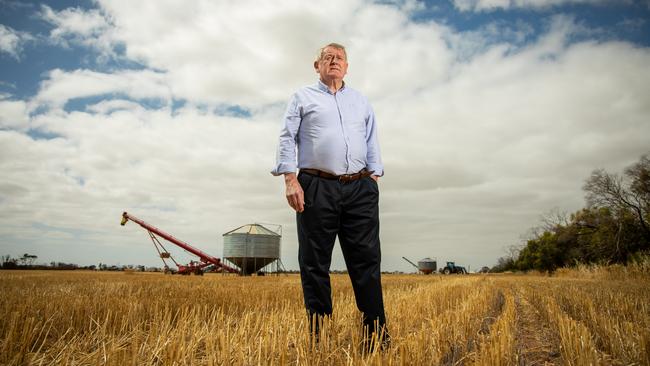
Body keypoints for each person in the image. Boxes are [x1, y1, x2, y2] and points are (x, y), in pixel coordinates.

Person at [271, 42, 388, 351]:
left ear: (347, 67)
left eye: (340, 58)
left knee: (367, 262)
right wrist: (289, 178)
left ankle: (375, 338)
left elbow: (371, 139)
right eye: (328, 57)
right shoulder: (301, 98)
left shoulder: (361, 101)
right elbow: (287, 137)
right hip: (315, 186)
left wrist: (373, 177)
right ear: (317, 65)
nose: (334, 61)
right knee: (314, 263)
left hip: (360, 188)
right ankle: (320, 340)